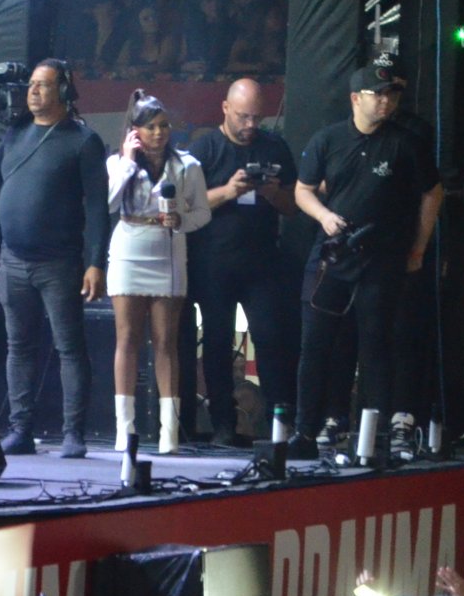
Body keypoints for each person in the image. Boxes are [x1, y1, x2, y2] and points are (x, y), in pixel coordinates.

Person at [290, 63, 442, 459]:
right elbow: (302, 190)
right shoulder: (328, 139)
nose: (387, 101)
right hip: (332, 255)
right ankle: (305, 431)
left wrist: (419, 246)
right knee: (315, 344)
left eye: (392, 94)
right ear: (356, 98)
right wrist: (324, 216)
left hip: (382, 257)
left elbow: (433, 192)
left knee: (376, 345)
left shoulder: (407, 142)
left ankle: (374, 437)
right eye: (379, 94)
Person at [0, 60, 109, 459]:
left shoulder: (82, 141)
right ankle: (21, 430)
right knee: (19, 347)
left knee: (69, 347)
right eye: (31, 85)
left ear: (64, 91)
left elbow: (98, 209)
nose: (33, 92)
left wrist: (95, 262)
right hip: (12, 261)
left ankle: (73, 434)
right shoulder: (16, 133)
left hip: (59, 263)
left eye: (43, 85)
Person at [186, 79, 300, 446]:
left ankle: (278, 427)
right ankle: (222, 425)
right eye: (243, 117)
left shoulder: (274, 146)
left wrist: (271, 192)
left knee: (271, 340)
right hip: (212, 264)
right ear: (224, 109)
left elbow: (294, 205)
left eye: (256, 117)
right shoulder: (205, 147)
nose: (251, 125)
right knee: (217, 344)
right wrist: (228, 191)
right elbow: (183, 203)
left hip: (263, 265)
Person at [103, 89, 209, 453]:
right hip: (129, 249)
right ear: (135, 131)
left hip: (168, 249)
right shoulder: (117, 163)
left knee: (166, 342)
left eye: (164, 126)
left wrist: (180, 220)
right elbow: (108, 202)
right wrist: (129, 161)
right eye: (151, 127)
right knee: (127, 339)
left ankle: (169, 432)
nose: (160, 133)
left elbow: (203, 213)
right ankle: (125, 427)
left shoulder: (187, 166)